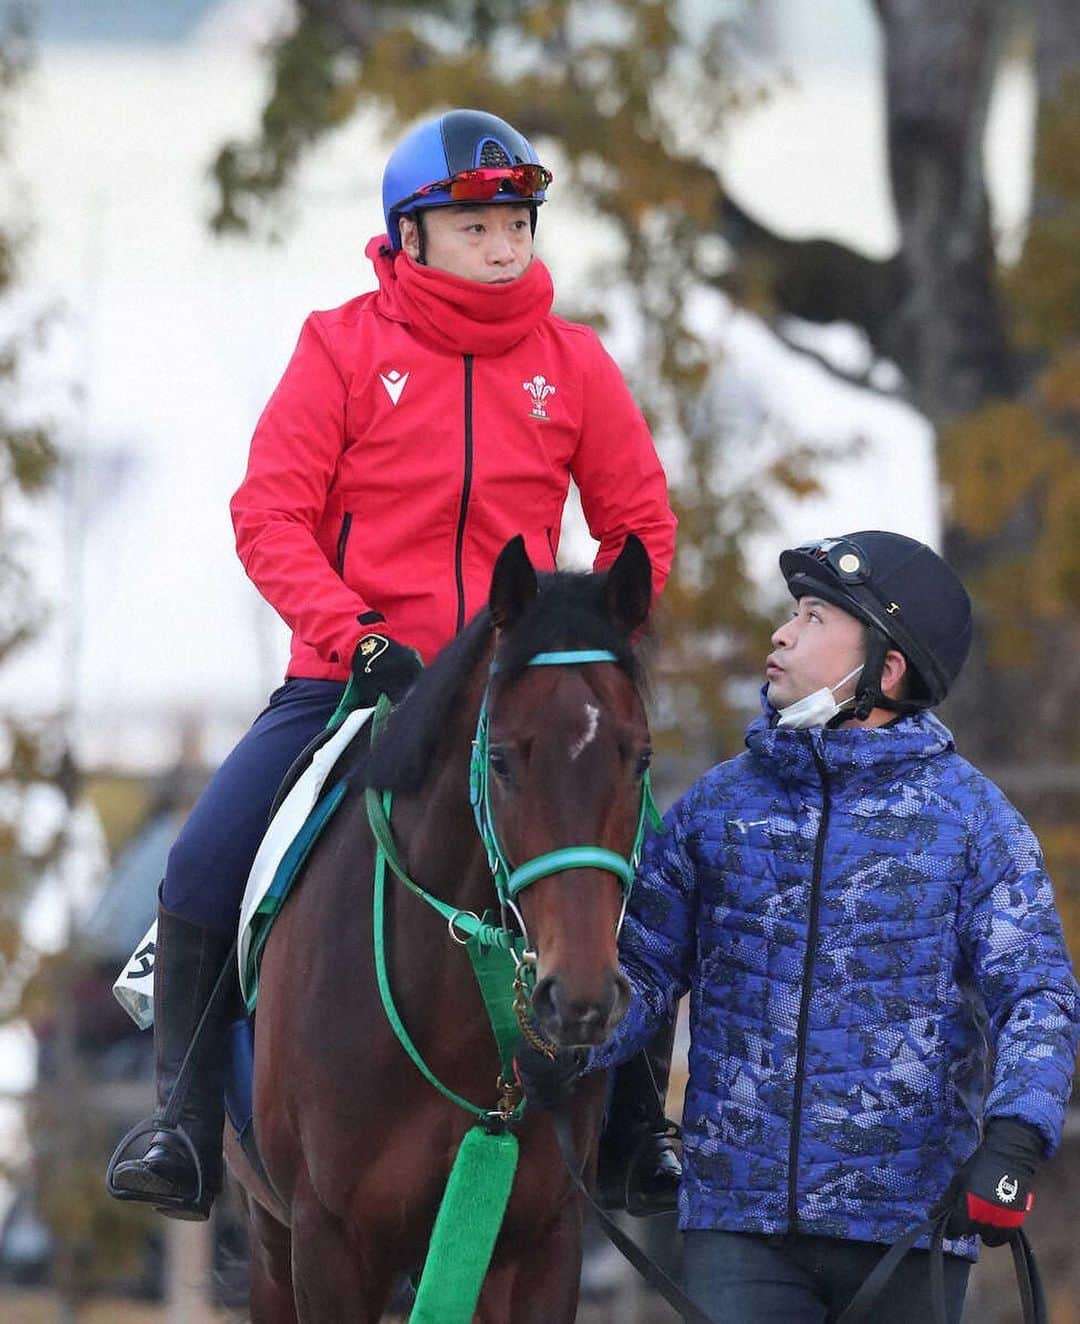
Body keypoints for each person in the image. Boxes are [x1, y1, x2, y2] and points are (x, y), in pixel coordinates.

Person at [108, 108, 679, 1221]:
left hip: (516, 692)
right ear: (408, 237)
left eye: (517, 220)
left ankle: (631, 1129)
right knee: (203, 860)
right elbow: (267, 511)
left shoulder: (576, 362)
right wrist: (352, 629)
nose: (506, 241)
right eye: (475, 224)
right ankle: (178, 1125)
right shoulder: (341, 346)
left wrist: (595, 641)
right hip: (350, 678)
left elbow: (638, 524)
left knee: (636, 880)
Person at [518, 530, 1080, 1323]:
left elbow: (1039, 995)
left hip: (907, 1234)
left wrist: (1015, 1143)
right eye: (790, 613)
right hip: (739, 1231)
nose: (781, 634)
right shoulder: (712, 814)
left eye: (815, 617)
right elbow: (639, 977)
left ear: (884, 669)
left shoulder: (972, 822)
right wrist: (564, 1040)